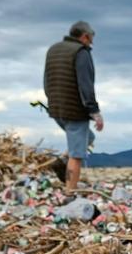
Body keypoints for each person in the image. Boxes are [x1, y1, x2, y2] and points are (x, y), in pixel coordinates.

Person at [44, 21, 104, 190]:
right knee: (77, 155)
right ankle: (70, 192)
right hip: (75, 110)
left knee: (88, 138)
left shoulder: (53, 49)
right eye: (91, 38)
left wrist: (52, 102)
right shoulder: (81, 52)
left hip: (56, 108)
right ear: (84, 36)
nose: (91, 42)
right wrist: (95, 112)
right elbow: (86, 84)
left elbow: (46, 81)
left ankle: (62, 161)